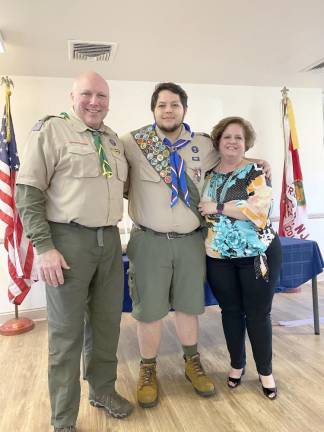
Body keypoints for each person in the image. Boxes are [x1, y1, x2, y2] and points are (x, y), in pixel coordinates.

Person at [15, 71, 133, 432]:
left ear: (109, 101)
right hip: (67, 243)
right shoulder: (52, 131)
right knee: (65, 336)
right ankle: (63, 419)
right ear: (72, 96)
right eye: (87, 94)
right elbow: (27, 193)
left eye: (102, 95)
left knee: (106, 325)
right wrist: (44, 248)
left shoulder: (113, 140)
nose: (95, 102)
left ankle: (102, 391)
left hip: (110, 242)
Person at [121, 82, 218, 408]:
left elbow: (232, 160)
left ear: (184, 109)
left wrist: (260, 162)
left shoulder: (205, 145)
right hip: (149, 240)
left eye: (174, 105)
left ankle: (192, 362)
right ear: (153, 109)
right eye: (162, 105)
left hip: (191, 242)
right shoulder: (133, 142)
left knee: (190, 306)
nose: (168, 110)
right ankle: (148, 369)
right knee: (149, 311)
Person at [198, 116, 282, 400]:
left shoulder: (256, 170)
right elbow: (201, 206)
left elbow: (259, 212)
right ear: (218, 142)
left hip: (257, 255)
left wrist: (218, 207)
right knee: (231, 312)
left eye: (239, 138)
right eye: (227, 137)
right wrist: (231, 206)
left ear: (246, 144)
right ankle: (236, 366)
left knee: (259, 315)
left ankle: (265, 372)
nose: (232, 141)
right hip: (218, 257)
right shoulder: (208, 174)